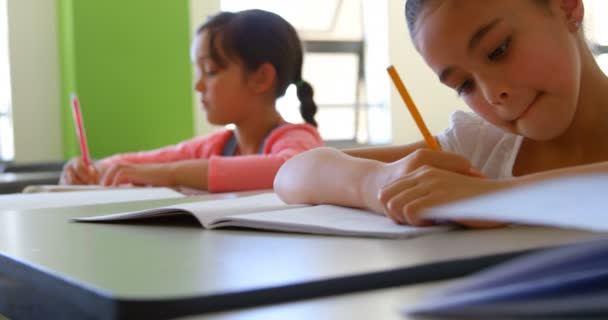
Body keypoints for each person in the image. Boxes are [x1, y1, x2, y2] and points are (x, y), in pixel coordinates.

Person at [274, 0, 608, 226]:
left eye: (498, 50)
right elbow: (293, 173)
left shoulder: (483, 186)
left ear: (566, 5)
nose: (493, 94)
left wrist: (497, 198)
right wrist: (380, 182)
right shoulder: (480, 148)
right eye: (464, 85)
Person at [60, 9, 323, 192]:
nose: (198, 85)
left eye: (210, 71)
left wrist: (170, 174)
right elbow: (147, 161)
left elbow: (286, 170)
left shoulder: (298, 139)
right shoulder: (218, 145)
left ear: (261, 78)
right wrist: (94, 169)